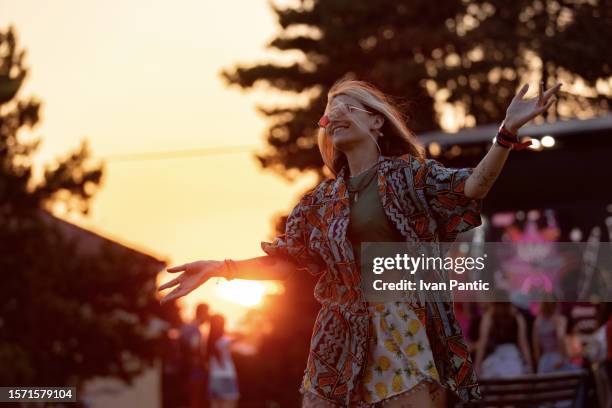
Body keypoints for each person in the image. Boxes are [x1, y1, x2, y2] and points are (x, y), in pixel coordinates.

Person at [159, 77, 562, 407]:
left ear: (376, 123)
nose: (336, 114)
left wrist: (506, 133)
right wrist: (222, 268)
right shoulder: (320, 201)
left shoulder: (409, 176)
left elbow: (472, 186)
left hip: (399, 328)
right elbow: (288, 259)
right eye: (331, 110)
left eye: (349, 106)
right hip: (337, 339)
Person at [475, 298, 533, 378]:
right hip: (513, 359)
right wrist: (529, 365)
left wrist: (477, 365)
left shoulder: (488, 317)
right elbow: (523, 344)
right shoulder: (517, 317)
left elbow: (482, 344)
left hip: (495, 361)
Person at [179, 303, 210, 408]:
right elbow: (194, 350)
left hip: (186, 368)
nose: (208, 316)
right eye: (207, 312)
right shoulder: (194, 329)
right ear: (202, 313)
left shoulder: (187, 327)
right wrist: (204, 365)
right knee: (195, 398)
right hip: (194, 369)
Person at [206, 314, 240, 408]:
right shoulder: (225, 341)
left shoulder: (207, 342)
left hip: (214, 377)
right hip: (227, 376)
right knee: (229, 405)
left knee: (215, 405)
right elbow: (249, 347)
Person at [533, 295, 572, 373]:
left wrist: (539, 362)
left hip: (544, 361)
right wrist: (564, 358)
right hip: (557, 358)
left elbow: (535, 346)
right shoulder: (560, 320)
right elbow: (560, 338)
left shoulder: (537, 322)